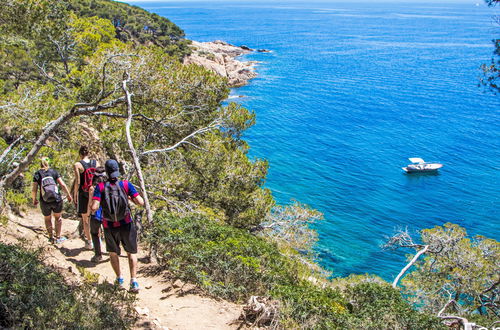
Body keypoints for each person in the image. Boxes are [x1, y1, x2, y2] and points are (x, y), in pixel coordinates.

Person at [91, 159, 144, 292]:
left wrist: (97, 201)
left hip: (109, 225)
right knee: (131, 252)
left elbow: (94, 207)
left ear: (106, 173)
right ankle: (134, 281)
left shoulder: (101, 187)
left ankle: (119, 279)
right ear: (117, 171)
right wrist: (130, 198)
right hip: (126, 223)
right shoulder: (126, 185)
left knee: (113, 253)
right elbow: (141, 202)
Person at [32, 157, 73, 244]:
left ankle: (50, 238)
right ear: (48, 163)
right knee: (58, 218)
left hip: (44, 200)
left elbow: (34, 189)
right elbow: (62, 184)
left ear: (40, 163)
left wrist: (34, 199)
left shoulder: (37, 174)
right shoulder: (53, 172)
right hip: (56, 199)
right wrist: (68, 195)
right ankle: (58, 237)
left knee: (47, 219)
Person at [73, 145, 98, 250]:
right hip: (95, 193)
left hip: (84, 194)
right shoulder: (96, 163)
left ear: (80, 154)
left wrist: (75, 194)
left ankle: (89, 242)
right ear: (88, 153)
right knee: (96, 218)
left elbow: (78, 182)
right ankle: (98, 240)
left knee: (85, 219)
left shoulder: (78, 164)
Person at [87, 167, 107, 263]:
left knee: (94, 233)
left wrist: (88, 214)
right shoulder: (108, 186)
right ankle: (114, 251)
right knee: (109, 233)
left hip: (96, 214)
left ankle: (98, 255)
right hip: (107, 214)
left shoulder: (92, 188)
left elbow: (90, 203)